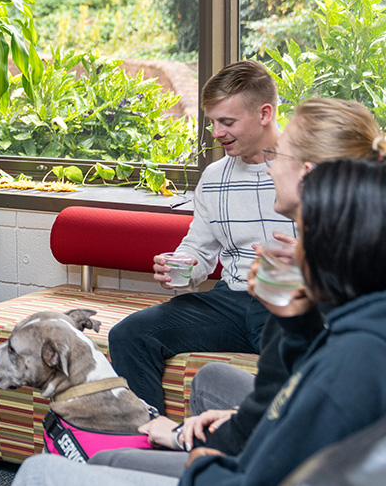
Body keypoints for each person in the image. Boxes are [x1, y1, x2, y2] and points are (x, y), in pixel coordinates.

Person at [11, 156, 386, 486]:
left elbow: (269, 457)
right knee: (166, 356)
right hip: (230, 305)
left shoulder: (355, 357)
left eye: (306, 231)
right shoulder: (381, 316)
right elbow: (288, 404)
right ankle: (148, 437)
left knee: (39, 471)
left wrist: (206, 457)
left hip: (242, 472)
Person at [109, 60, 296, 414]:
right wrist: (178, 267)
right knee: (130, 335)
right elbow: (199, 249)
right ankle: (153, 448)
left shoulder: (309, 167)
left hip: (289, 300)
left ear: (265, 113)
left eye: (227, 122)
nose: (215, 132)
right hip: (231, 300)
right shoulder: (213, 177)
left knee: (297, 356)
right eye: (212, 121)